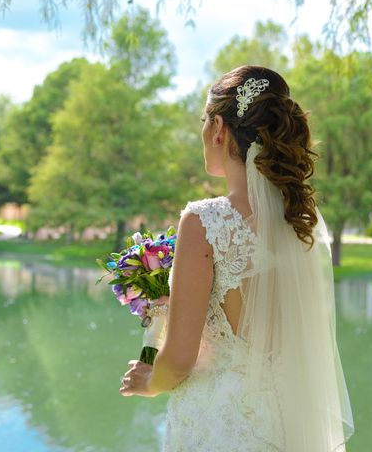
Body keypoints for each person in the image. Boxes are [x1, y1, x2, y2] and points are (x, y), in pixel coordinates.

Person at [119, 65, 355, 451]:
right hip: (289, 422)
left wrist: (148, 381)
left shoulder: (204, 222)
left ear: (218, 128)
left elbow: (178, 361)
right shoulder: (301, 220)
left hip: (222, 426)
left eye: (202, 121)